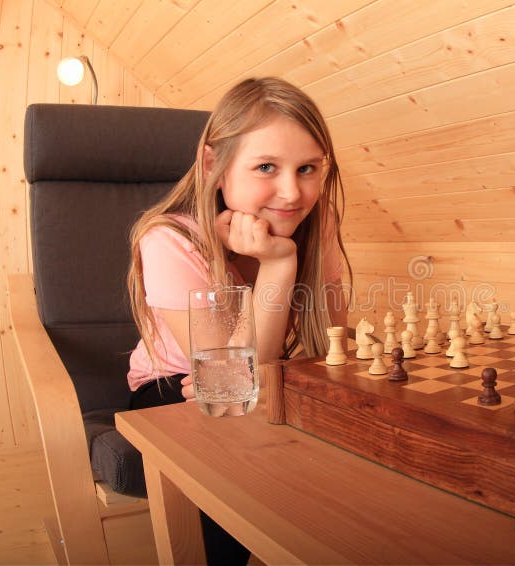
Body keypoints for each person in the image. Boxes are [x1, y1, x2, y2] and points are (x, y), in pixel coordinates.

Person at [125, 77, 351, 564]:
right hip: (168, 389)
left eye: (308, 168)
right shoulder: (167, 239)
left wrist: (256, 378)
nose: (292, 192)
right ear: (214, 165)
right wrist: (278, 263)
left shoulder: (319, 220)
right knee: (237, 455)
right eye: (267, 166)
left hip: (268, 375)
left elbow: (331, 345)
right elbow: (228, 382)